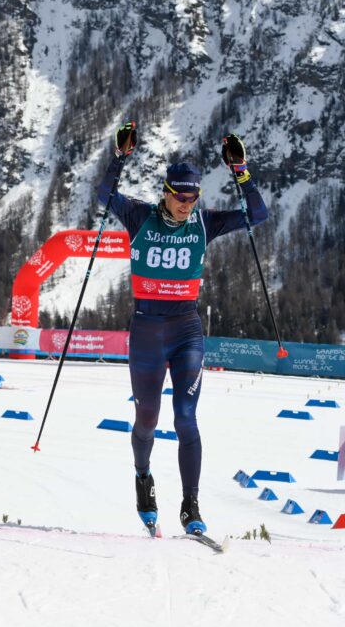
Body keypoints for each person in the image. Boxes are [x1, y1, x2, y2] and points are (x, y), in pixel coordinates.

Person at [98, 123, 268, 534]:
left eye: (193, 198)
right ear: (166, 192)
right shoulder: (139, 215)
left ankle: (190, 506)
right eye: (180, 197)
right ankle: (143, 478)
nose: (186, 205)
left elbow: (258, 214)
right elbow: (105, 196)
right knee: (147, 420)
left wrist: (240, 170)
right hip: (146, 331)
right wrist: (120, 159)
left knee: (186, 419)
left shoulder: (204, 223)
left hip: (186, 329)